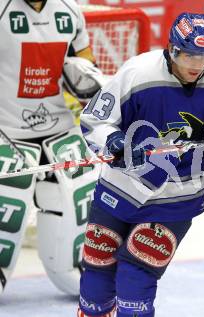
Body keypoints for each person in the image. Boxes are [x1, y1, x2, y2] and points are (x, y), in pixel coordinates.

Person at [77, 12, 204, 317]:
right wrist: (115, 142)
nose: (195, 64)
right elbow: (95, 118)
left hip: (176, 200)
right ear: (172, 49)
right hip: (119, 189)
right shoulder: (137, 72)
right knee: (96, 274)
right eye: (188, 54)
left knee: (135, 279)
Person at [0, 0, 103, 295]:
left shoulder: (69, 10)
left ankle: (79, 268)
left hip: (59, 125)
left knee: (81, 199)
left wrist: (87, 81)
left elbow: (86, 64)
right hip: (5, 129)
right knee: (7, 204)